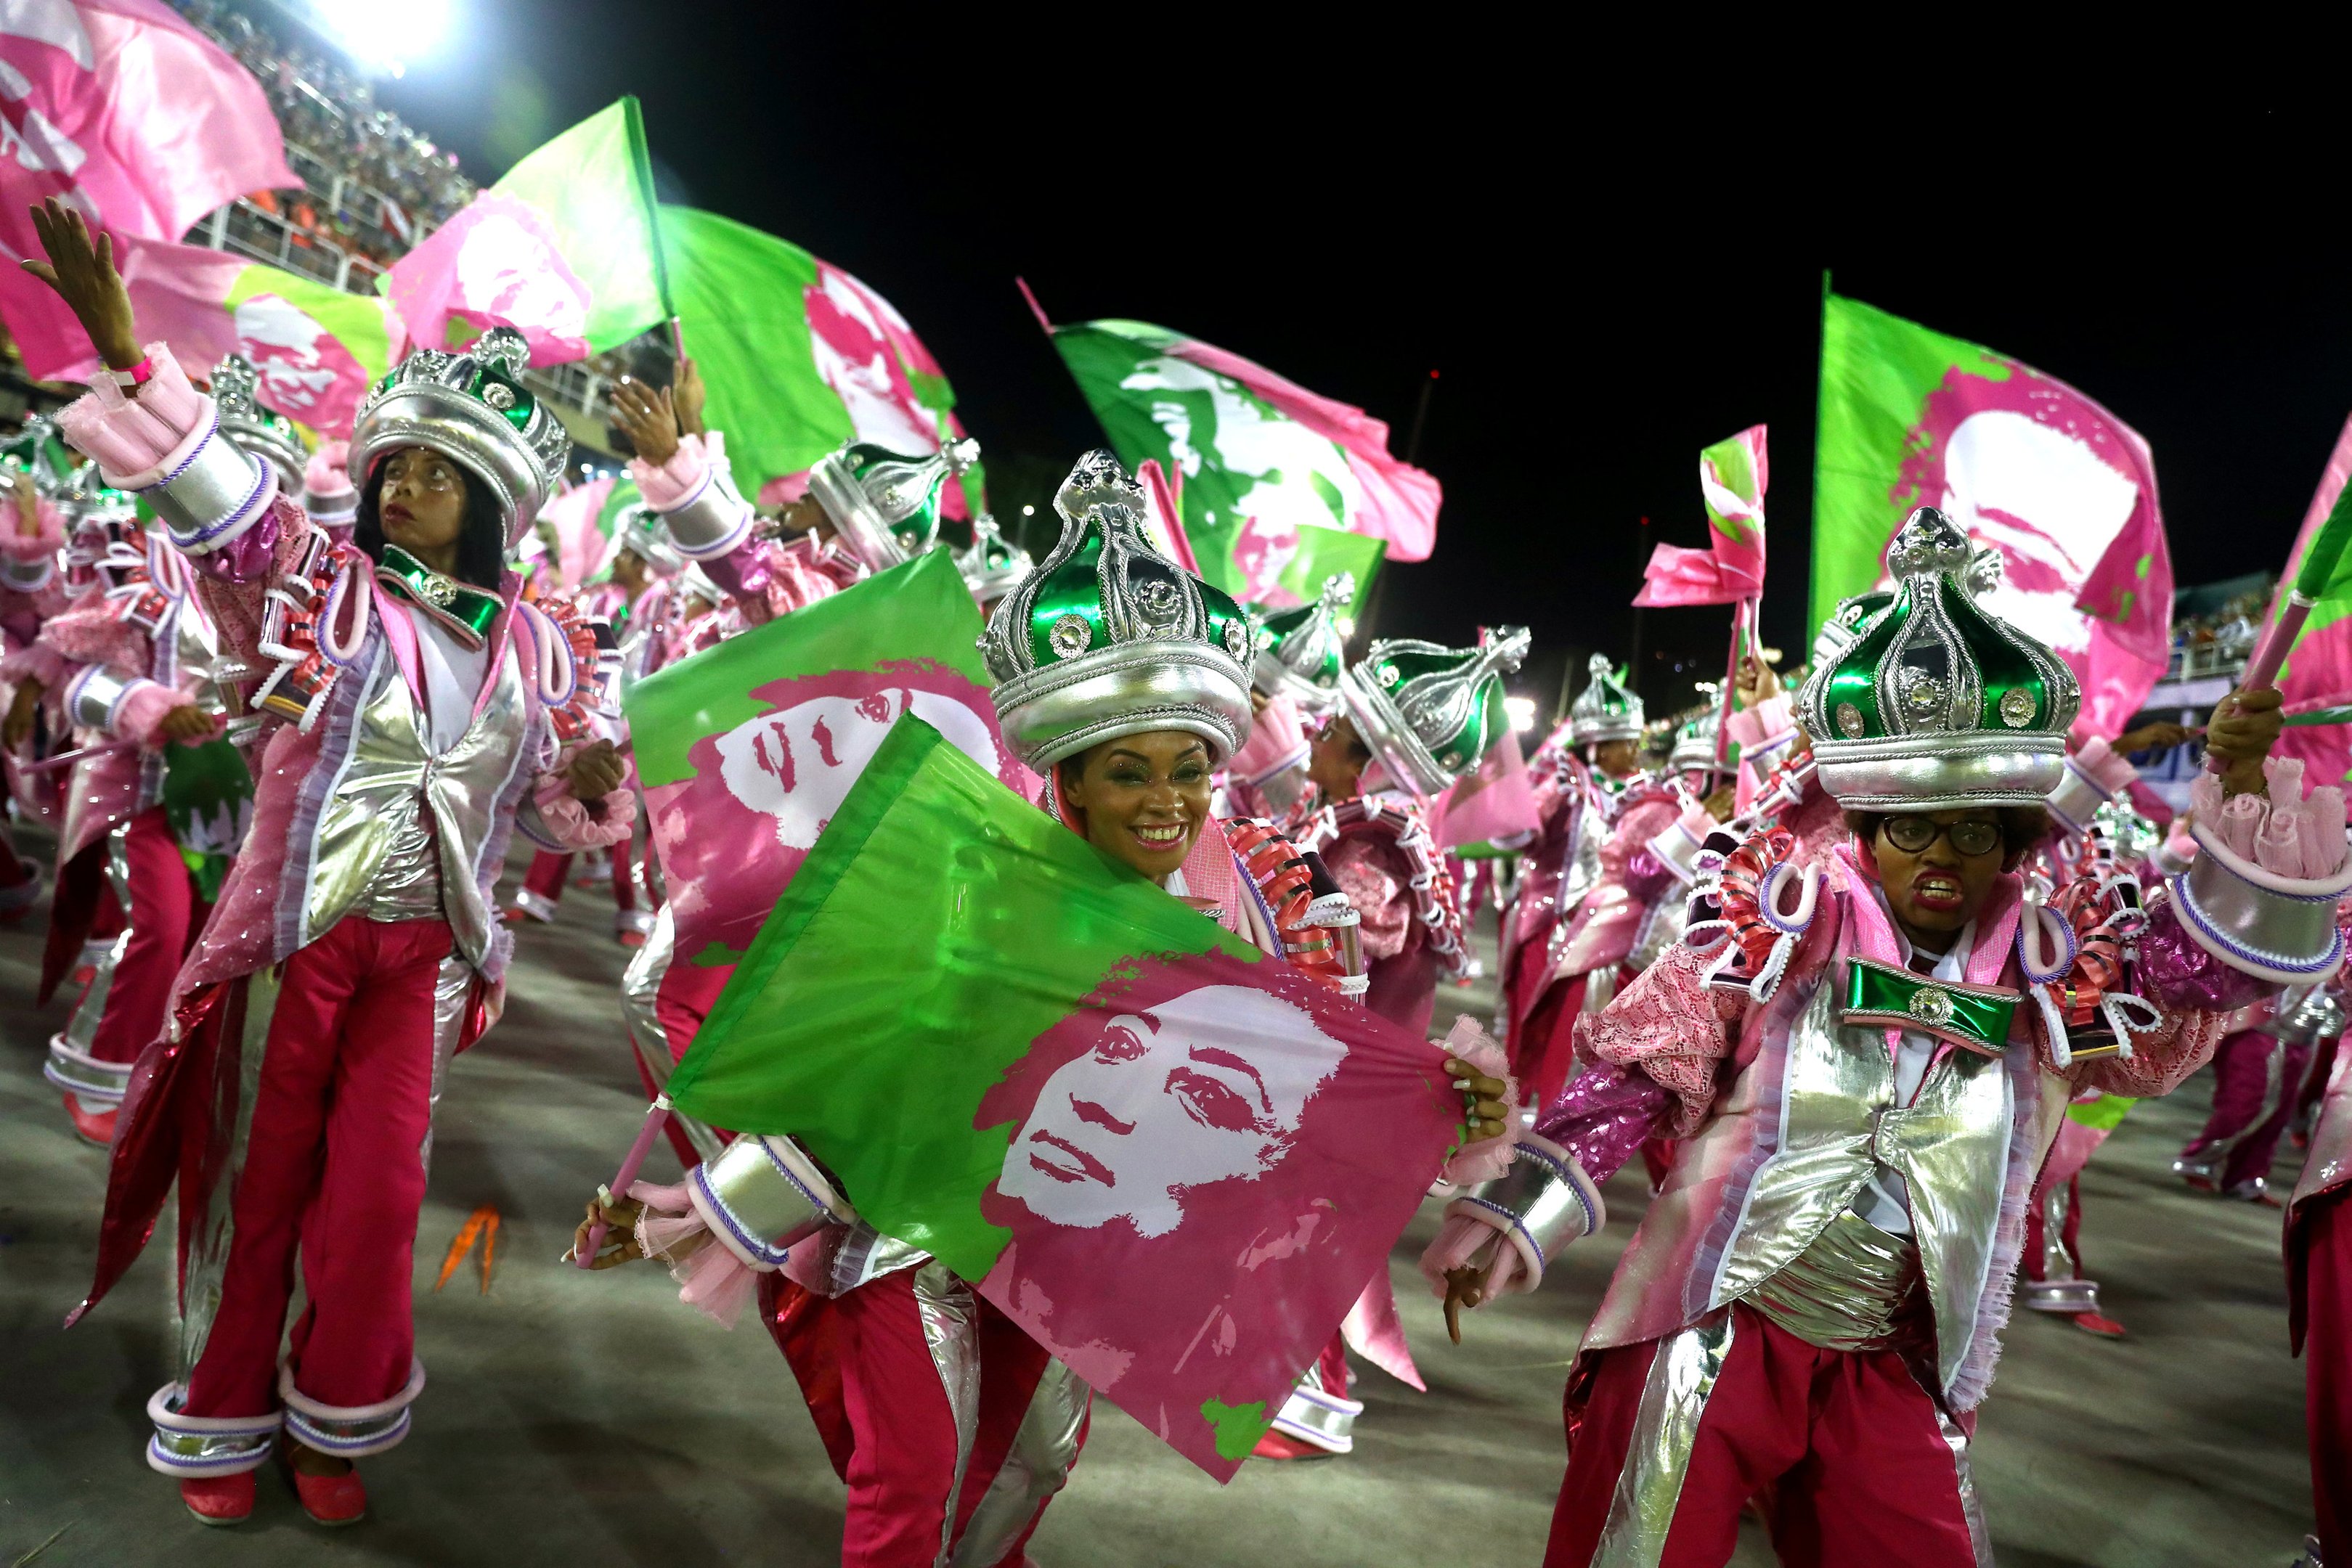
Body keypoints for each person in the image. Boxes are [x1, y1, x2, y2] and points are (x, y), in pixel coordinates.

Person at [576, 450, 1496, 1566]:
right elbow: (856, 1083)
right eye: (1128, 773)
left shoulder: (1247, 895)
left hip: (1076, 1242)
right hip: (909, 1227)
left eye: (1189, 770)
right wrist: (695, 1213)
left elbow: (1316, 1097)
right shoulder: (967, 879)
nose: (1166, 801)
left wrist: (1455, 1115)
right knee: (910, 1485)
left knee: (1024, 1472)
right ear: (1063, 776)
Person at [1428, 506, 2333, 1566]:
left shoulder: (2050, 964)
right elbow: (1638, 1071)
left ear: (2013, 840)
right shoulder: (1776, 924)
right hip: (1709, 1327)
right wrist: (1516, 1216)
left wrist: (2230, 786)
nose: (1941, 858)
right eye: (1910, 829)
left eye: (1974, 830)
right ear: (1861, 826)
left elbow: (2194, 979)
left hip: (1889, 1356)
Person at [19, 197, 631, 1529]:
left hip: (427, 956)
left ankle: (334, 1412)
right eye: (391, 466)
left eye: (430, 474)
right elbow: (227, 512)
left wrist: (591, 789)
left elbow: (550, 816)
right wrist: (131, 352)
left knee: (378, 1203)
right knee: (257, 1182)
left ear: (487, 503)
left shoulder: (541, 647)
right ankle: (226, 1417)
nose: (398, 488)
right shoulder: (318, 584)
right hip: (294, 941)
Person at [1, 470, 227, 1146]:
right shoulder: (137, 560)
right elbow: (69, 669)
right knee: (157, 926)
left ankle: (165, 1058)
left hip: (222, 794)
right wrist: (151, 710)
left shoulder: (267, 583)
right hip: (138, 784)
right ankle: (97, 1064)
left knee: (205, 933)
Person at [1293, 626, 1529, 1037]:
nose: (1314, 736)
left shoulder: (1368, 854)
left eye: (1330, 729)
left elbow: (1319, 987)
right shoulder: (1372, 832)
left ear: (1364, 767)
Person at [1497, 653, 1644, 1066]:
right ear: (1597, 745)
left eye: (1636, 741)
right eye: (1625, 743)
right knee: (1534, 1024)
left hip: (1598, 931)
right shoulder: (1562, 778)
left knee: (1572, 1034)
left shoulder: (1634, 791)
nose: (1636, 751)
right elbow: (1513, 835)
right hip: (1548, 919)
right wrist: (1545, 796)